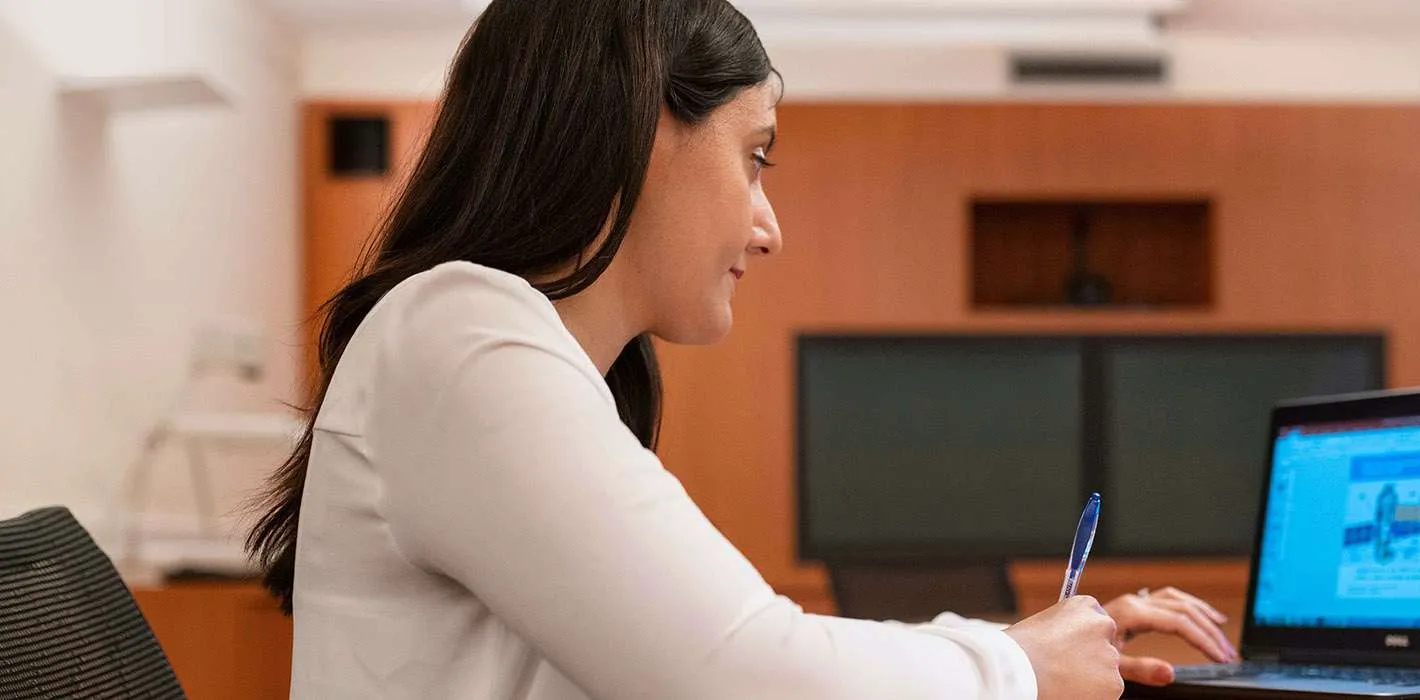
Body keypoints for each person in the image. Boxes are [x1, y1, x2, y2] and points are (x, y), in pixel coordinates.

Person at [244, 1, 1236, 698]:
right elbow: (744, 671)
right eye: (753, 156)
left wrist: (1021, 648)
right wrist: (1015, 669)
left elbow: (744, 652)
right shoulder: (459, 332)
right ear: (640, 128)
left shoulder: (476, 345)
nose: (769, 226)